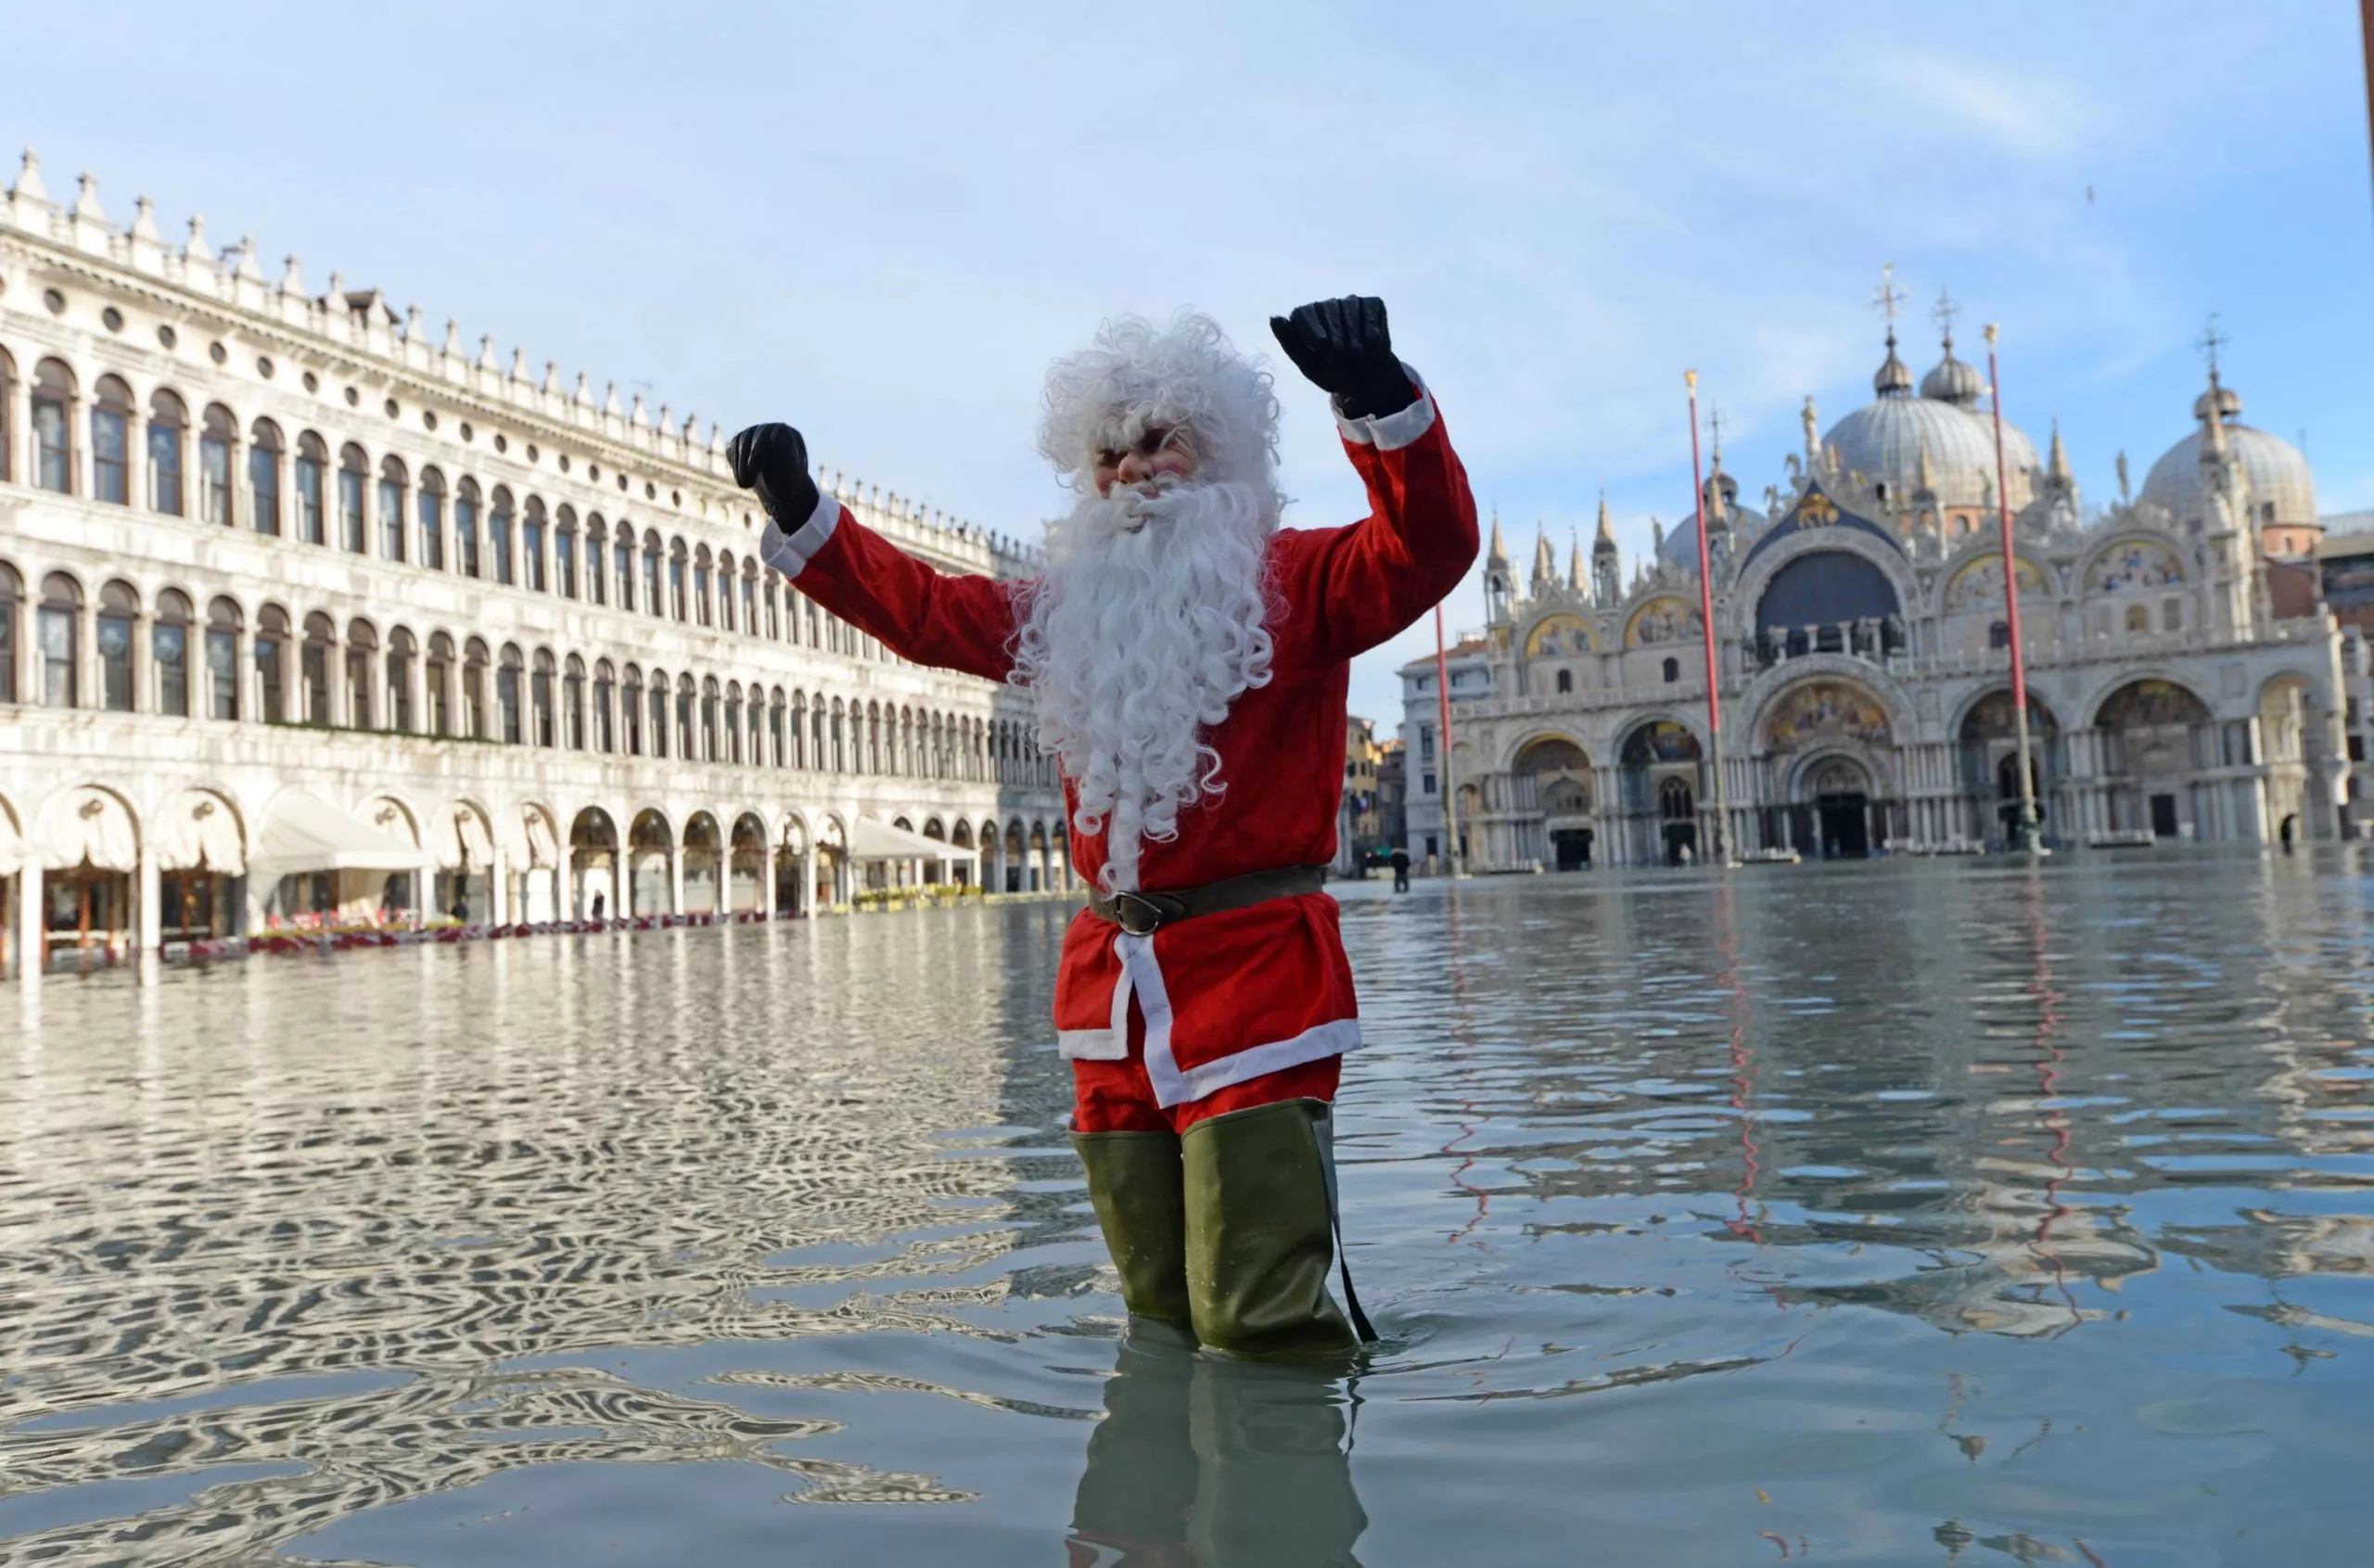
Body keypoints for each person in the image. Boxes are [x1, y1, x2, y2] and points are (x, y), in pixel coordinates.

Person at [731, 299, 1476, 1356]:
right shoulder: (1063, 609)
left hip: (1257, 986)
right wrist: (806, 511)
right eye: (1108, 455)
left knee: (1262, 1316)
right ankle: (1155, 1522)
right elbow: (927, 613)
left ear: (1214, 453)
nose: (1130, 471)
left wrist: (1377, 398)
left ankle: (1276, 1509)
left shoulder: (1299, 580)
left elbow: (1429, 547)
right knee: (1157, 1313)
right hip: (1110, 1000)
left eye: (1157, 442)